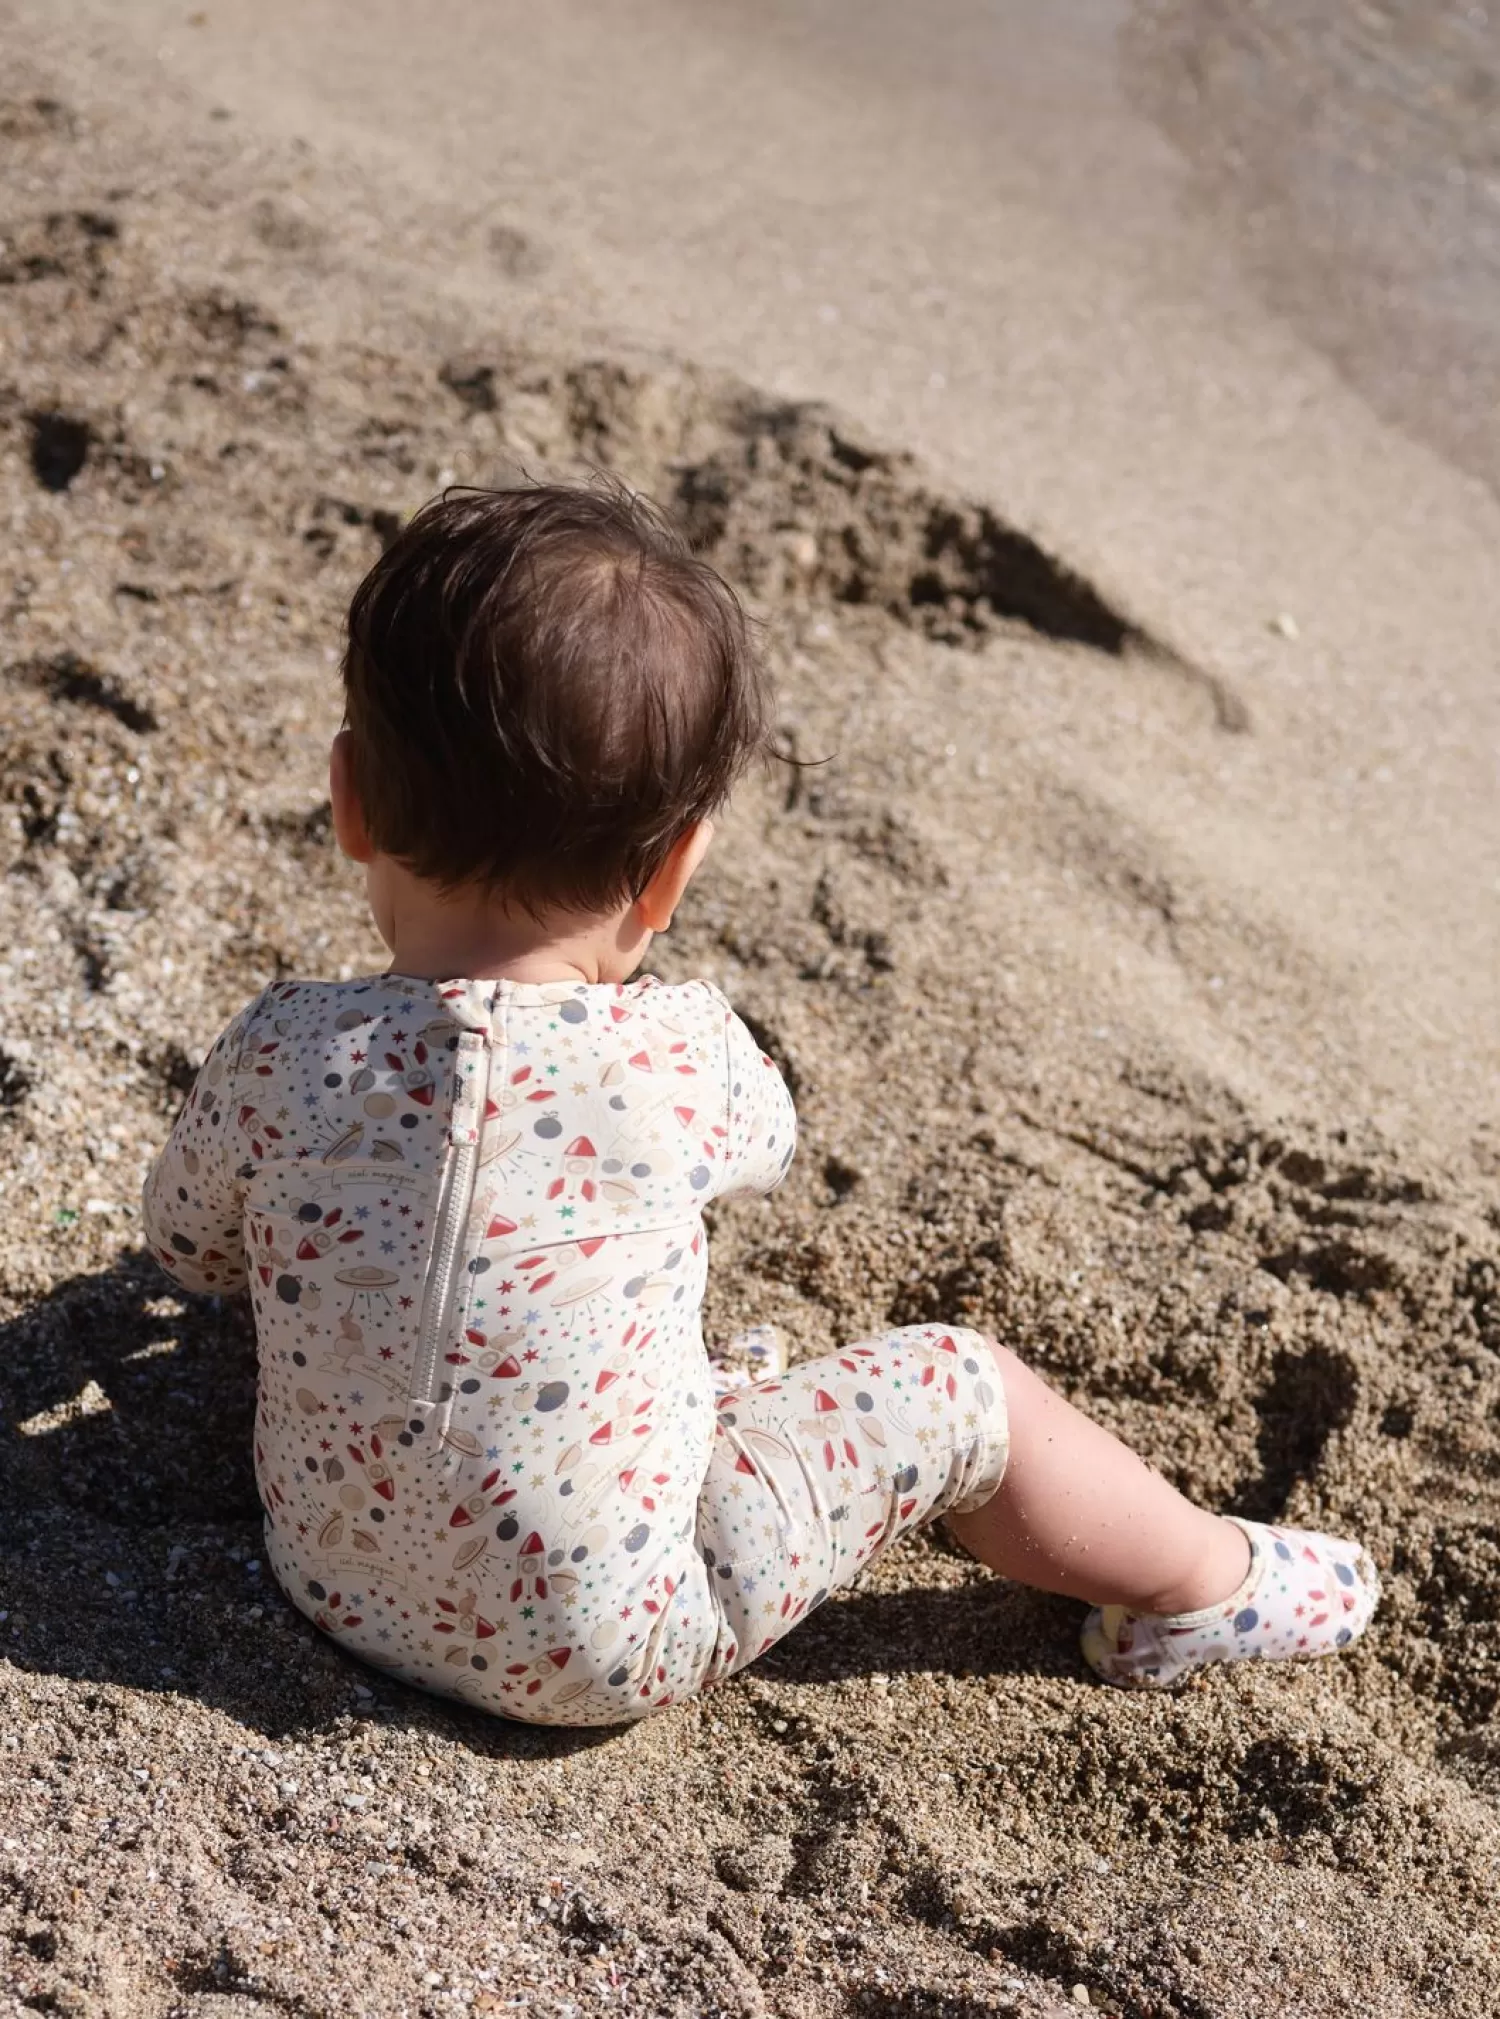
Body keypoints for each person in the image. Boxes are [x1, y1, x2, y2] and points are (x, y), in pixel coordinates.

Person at [142, 485, 1379, 1725]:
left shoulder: (282, 1047)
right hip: (615, 1645)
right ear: (673, 869)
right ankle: (1206, 1582)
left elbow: (190, 1252)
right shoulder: (684, 1055)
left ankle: (679, 1410)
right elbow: (764, 1150)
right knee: (963, 1387)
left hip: (328, 1580)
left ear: (349, 799)